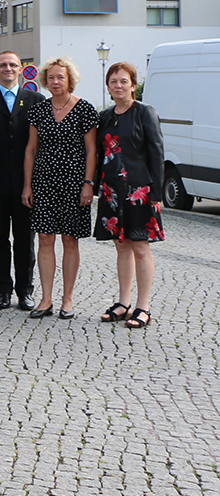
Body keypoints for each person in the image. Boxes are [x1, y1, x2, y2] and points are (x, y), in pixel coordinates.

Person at [22, 57, 98, 320]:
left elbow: (92, 150)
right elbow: (31, 150)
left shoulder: (85, 109)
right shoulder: (39, 110)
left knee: (69, 239)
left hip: (74, 183)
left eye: (60, 77)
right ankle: (45, 299)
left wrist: (88, 184)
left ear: (70, 80)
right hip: (43, 182)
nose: (55, 82)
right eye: (51, 77)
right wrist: (27, 185)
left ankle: (67, 299)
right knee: (44, 239)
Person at [94, 61, 163, 330]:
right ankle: (123, 303)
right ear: (108, 87)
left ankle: (143, 306)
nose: (118, 86)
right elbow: (100, 154)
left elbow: (157, 153)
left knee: (139, 246)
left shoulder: (145, 112)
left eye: (124, 81)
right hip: (112, 190)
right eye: (113, 82)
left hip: (140, 190)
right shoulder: (106, 116)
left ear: (133, 85)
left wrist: (156, 194)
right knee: (120, 245)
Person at [0, 50, 43, 310]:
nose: (8, 68)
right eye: (3, 65)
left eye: (13, 65)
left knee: (25, 240)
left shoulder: (36, 100)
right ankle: (3, 290)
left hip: (25, 184)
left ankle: (25, 291)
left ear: (21, 69)